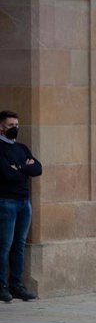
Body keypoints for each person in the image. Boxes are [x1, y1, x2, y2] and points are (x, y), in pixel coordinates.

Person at [0, 110, 42, 302]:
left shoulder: (22, 148)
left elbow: (38, 168)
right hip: (6, 202)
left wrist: (20, 168)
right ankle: (2, 286)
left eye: (17, 125)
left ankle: (16, 284)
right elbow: (7, 175)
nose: (15, 129)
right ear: (1, 127)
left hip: (25, 202)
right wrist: (24, 169)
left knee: (19, 245)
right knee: (5, 245)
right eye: (11, 126)